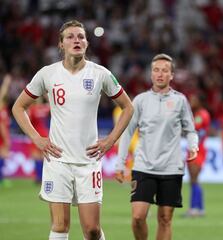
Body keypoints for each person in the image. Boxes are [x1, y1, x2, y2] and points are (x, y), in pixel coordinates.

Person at [12, 20, 134, 240]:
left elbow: (128, 107)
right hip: (57, 160)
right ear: (61, 44)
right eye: (70, 36)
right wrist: (36, 138)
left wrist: (110, 140)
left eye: (81, 36)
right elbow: (18, 107)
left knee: (92, 229)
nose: (76, 40)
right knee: (60, 226)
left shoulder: (101, 74)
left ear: (86, 43)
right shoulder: (47, 74)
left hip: (88, 161)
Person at [115, 53, 199, 240]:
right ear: (151, 74)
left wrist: (193, 146)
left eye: (165, 71)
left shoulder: (180, 100)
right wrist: (120, 164)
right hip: (143, 165)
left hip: (171, 167)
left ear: (171, 75)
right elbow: (127, 133)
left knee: (165, 218)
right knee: (138, 217)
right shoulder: (139, 101)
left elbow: (191, 130)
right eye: (156, 70)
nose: (160, 74)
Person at [184, 94, 211, 217]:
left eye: (194, 100)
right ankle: (199, 208)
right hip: (193, 150)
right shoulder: (196, 115)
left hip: (197, 151)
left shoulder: (201, 115)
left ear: (200, 101)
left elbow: (197, 131)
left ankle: (194, 208)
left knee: (194, 180)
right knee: (194, 181)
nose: (191, 102)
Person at [28, 96, 50, 184]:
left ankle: (38, 178)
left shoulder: (32, 109)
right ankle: (43, 177)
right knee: (43, 157)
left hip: (35, 134)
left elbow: (28, 120)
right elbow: (53, 105)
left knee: (36, 156)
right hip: (44, 133)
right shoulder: (44, 108)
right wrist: (47, 95)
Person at [0, 74, 11, 188]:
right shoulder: (2, 110)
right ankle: (1, 179)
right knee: (3, 155)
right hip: (1, 138)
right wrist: (6, 84)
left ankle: (2, 179)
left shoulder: (4, 110)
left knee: (2, 156)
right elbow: (2, 126)